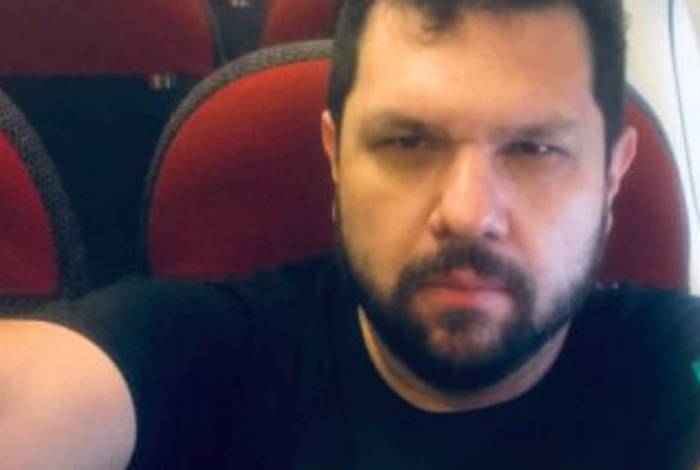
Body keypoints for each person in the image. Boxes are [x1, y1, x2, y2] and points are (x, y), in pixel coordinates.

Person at [1, 0, 698, 468]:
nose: (466, 213)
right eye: (406, 142)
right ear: (336, 159)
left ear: (612, 176)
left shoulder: (674, 364)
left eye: (535, 150)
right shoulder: (206, 351)